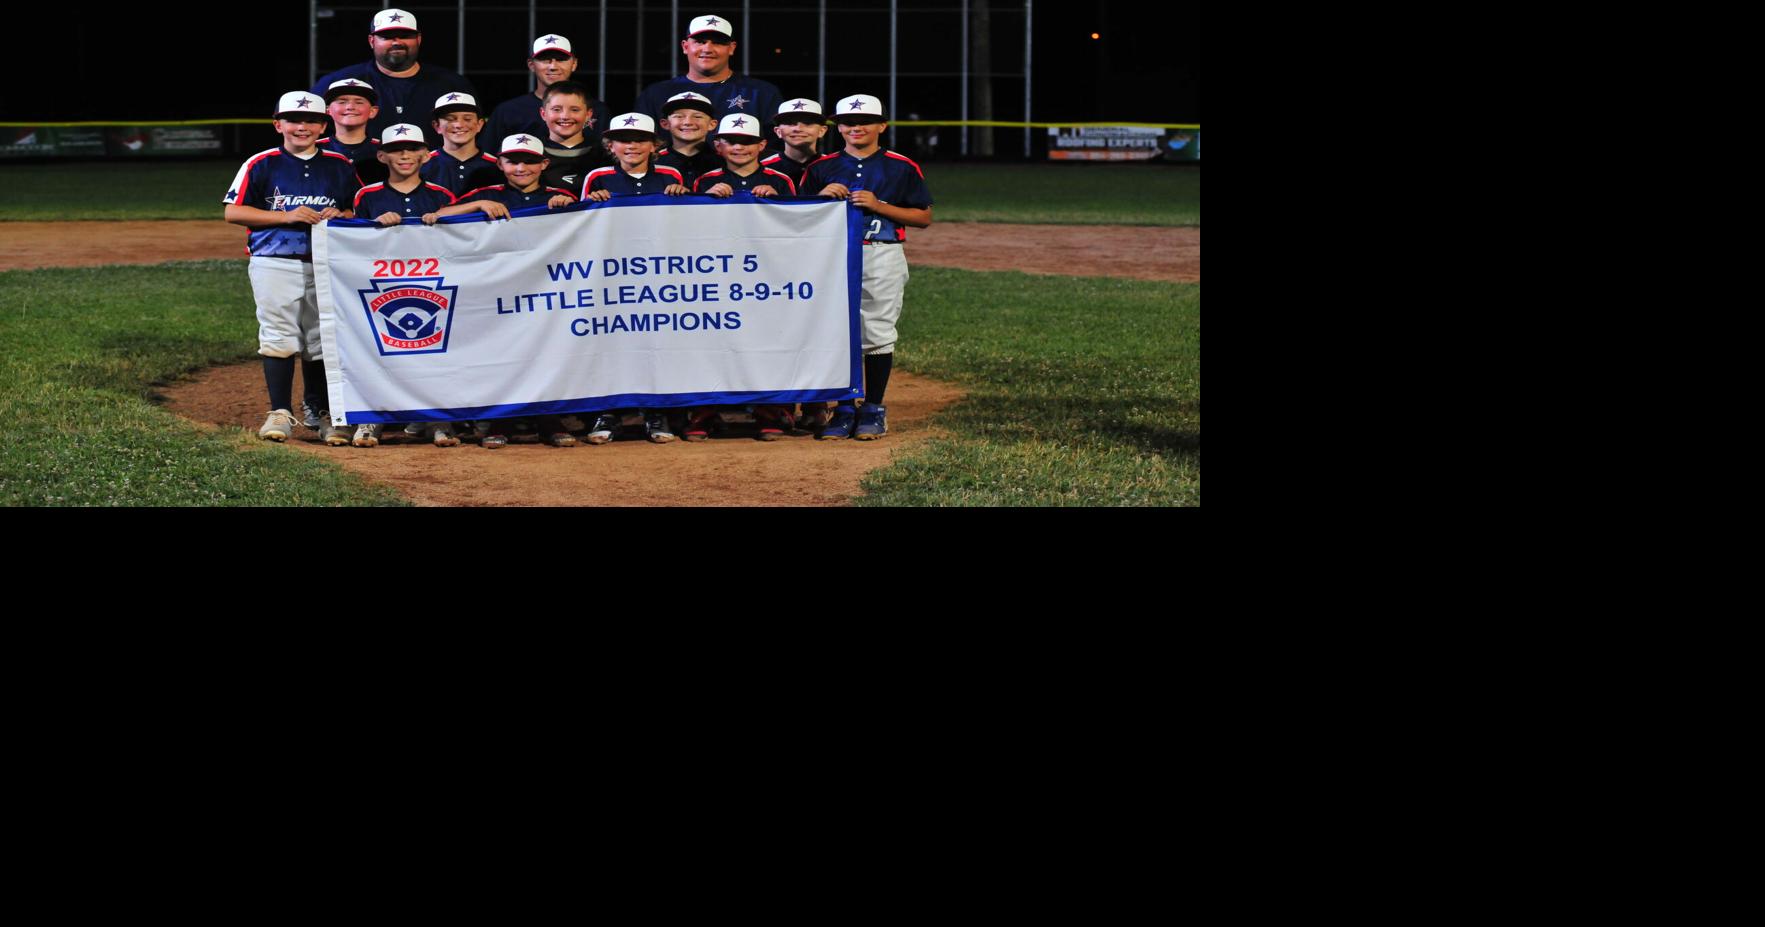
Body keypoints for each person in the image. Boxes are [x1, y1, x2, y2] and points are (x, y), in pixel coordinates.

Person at [222, 91, 362, 445]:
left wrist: (343, 214)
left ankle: (324, 413)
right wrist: (285, 216)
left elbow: (358, 208)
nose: (302, 127)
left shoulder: (339, 165)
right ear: (278, 124)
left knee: (321, 338)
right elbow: (233, 212)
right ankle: (280, 412)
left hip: (326, 262)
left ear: (323, 126)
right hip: (274, 260)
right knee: (278, 335)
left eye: (311, 121)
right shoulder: (261, 163)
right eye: (294, 120)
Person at [423, 135, 580, 448]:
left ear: (544, 164)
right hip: (499, 292)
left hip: (549, 290)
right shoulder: (486, 193)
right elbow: (436, 216)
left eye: (530, 161)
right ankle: (501, 421)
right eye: (513, 161)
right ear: (500, 163)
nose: (521, 168)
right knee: (504, 355)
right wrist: (478, 205)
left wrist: (571, 205)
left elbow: (592, 227)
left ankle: (549, 421)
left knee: (548, 354)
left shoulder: (560, 194)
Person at [800, 94, 933, 440]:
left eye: (864, 121)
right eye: (847, 122)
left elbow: (923, 217)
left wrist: (880, 205)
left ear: (881, 126)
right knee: (834, 331)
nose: (855, 127)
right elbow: (795, 220)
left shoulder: (901, 166)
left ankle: (873, 407)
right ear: (837, 127)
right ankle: (844, 407)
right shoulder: (820, 169)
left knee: (876, 330)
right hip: (829, 256)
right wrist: (817, 199)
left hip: (881, 251)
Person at [681, 114, 799, 441]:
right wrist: (704, 200)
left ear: (762, 145)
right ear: (718, 146)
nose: (739, 147)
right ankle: (705, 410)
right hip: (716, 274)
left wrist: (777, 203)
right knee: (711, 340)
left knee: (767, 339)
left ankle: (770, 410)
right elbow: (685, 231)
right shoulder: (704, 181)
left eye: (747, 141)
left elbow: (799, 229)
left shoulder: (780, 180)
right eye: (731, 141)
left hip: (765, 274)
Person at [348, 124, 461, 448]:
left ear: (426, 155)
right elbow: (351, 242)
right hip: (382, 283)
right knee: (377, 348)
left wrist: (445, 216)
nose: (405, 156)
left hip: (433, 282)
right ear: (382, 155)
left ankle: (436, 418)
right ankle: (371, 417)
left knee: (435, 351)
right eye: (397, 150)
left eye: (412, 149)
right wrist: (373, 226)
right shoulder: (367, 195)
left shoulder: (441, 196)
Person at [311, 8, 476, 148]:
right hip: (356, 173)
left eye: (404, 35)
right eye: (387, 36)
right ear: (371, 41)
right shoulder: (338, 81)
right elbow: (308, 129)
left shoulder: (451, 83)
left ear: (418, 39)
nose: (396, 42)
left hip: (433, 176)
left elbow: (475, 134)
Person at [632, 14, 782, 127]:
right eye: (700, 42)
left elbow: (775, 145)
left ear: (731, 48)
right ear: (685, 47)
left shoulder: (761, 93)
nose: (708, 49)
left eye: (717, 43)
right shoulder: (656, 94)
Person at [484, 35, 609, 157]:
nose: (553, 66)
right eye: (545, 60)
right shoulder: (508, 111)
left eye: (561, 59)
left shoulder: (598, 110)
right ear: (531, 65)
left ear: (574, 64)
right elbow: (489, 158)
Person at [421, 92, 502, 197]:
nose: (459, 125)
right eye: (450, 119)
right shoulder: (422, 166)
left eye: (467, 119)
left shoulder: (498, 166)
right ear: (437, 126)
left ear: (479, 124)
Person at [536, 81, 611, 193]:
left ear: (588, 115)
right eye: (557, 109)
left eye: (575, 110)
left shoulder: (604, 154)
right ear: (543, 114)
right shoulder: (532, 153)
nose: (565, 116)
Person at [318, 78, 385, 186]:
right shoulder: (314, 148)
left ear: (373, 111)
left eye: (359, 102)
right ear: (328, 110)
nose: (350, 107)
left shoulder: (386, 149)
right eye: (342, 102)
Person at [655, 91, 722, 191]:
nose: (688, 122)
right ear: (665, 124)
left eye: (697, 116)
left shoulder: (724, 161)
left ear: (712, 124)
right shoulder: (653, 161)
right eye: (679, 116)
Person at [762, 98, 828, 192]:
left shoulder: (836, 167)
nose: (798, 128)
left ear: (822, 131)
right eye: (790, 123)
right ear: (778, 131)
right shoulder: (762, 168)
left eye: (807, 123)